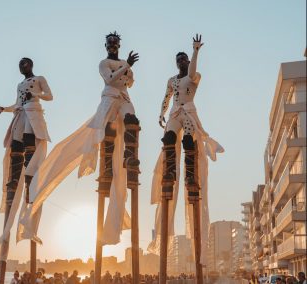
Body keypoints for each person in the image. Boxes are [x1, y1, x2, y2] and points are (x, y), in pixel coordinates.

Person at [27, 31, 140, 247]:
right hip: (108, 98)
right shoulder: (103, 62)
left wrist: (128, 68)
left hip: (124, 98)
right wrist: (127, 67)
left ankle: (129, 155)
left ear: (119, 44)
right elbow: (110, 79)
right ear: (106, 45)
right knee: (104, 129)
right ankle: (106, 160)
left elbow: (129, 83)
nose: (112, 45)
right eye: (109, 43)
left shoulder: (125, 62)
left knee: (132, 120)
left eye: (115, 43)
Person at [149, 34, 224, 270]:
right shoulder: (171, 80)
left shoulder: (193, 77)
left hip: (189, 110)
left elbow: (192, 72)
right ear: (175, 63)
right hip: (174, 112)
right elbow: (166, 98)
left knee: (189, 141)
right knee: (169, 138)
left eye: (184, 58)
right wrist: (161, 113)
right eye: (179, 58)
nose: (181, 61)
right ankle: (170, 169)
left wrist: (195, 51)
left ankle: (190, 171)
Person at [0, 57, 53, 263]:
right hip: (20, 115)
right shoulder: (19, 85)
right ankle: (15, 178)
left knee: (29, 145)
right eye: (20, 65)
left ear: (31, 65)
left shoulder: (39, 79)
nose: (22, 67)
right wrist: (4, 109)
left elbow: (50, 96)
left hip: (34, 114)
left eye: (25, 64)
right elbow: (17, 104)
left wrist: (35, 94)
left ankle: (28, 179)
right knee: (15, 147)